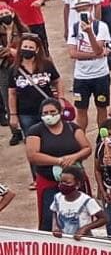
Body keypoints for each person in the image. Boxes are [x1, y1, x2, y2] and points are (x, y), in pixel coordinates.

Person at [26, 97, 90, 230]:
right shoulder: (35, 131)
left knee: (80, 216)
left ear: (60, 112)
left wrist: (74, 157)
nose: (49, 115)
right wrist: (59, 161)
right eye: (45, 113)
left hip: (74, 181)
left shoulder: (73, 128)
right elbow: (32, 156)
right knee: (49, 218)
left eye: (52, 112)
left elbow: (87, 148)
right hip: (49, 182)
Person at [66, 0, 110, 132]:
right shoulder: (74, 28)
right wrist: (95, 55)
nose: (82, 12)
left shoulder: (101, 26)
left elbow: (98, 49)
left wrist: (90, 33)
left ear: (91, 7)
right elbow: (73, 53)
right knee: (81, 110)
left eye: (84, 8)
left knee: (102, 108)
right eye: (78, 9)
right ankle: (80, 139)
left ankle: (102, 139)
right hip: (81, 76)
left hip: (100, 75)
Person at [49, 165, 105, 240]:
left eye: (67, 183)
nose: (63, 185)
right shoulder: (58, 198)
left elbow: (103, 219)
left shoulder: (86, 201)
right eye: (61, 182)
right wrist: (55, 226)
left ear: (77, 185)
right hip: (64, 241)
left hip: (83, 243)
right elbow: (54, 212)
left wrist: (85, 228)